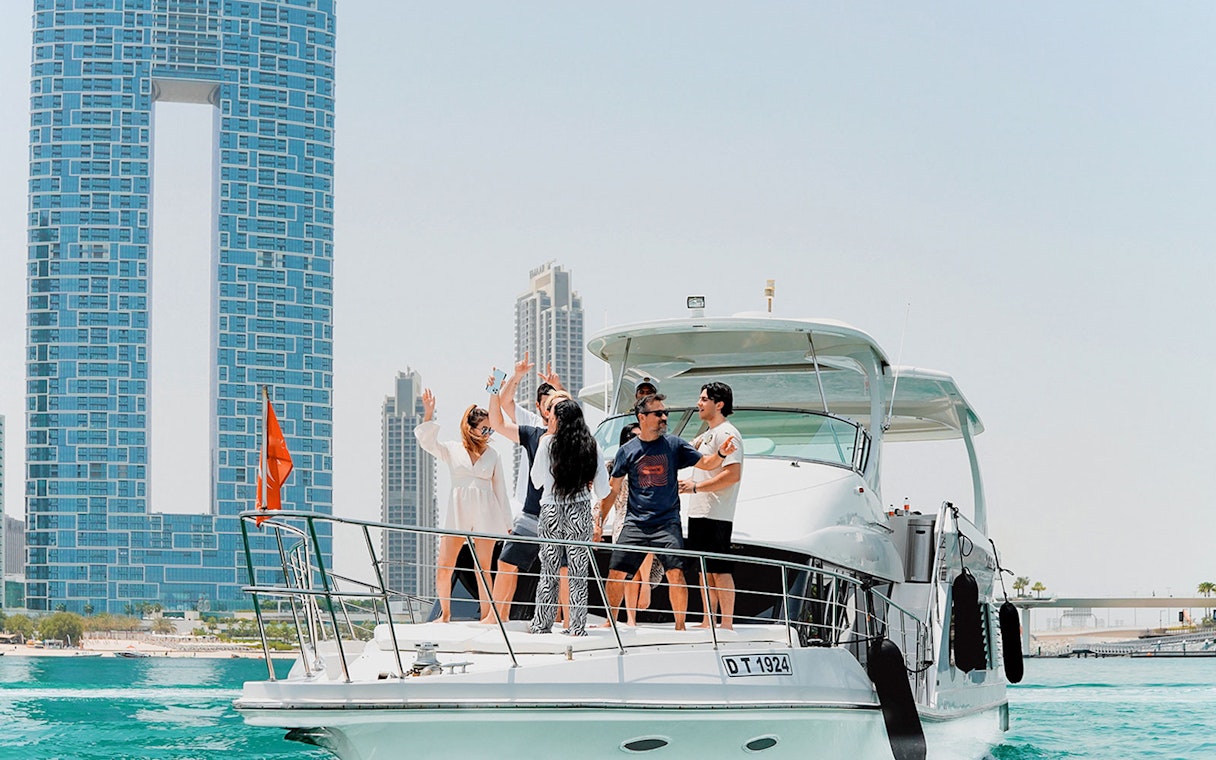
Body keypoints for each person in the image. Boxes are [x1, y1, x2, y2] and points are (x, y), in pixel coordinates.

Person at [599, 393, 738, 630]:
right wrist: (599, 521)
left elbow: (706, 463)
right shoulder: (627, 451)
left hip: (667, 523)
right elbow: (613, 489)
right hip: (636, 523)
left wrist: (722, 454)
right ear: (642, 417)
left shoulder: (674, 445)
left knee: (676, 574)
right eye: (658, 414)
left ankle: (680, 627)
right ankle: (610, 623)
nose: (664, 417)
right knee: (616, 573)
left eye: (666, 413)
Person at [482, 357, 569, 623]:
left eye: (556, 404)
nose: (551, 409)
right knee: (507, 561)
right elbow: (497, 422)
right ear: (543, 410)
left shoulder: (576, 438)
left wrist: (559, 388)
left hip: (563, 513)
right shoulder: (533, 432)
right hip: (532, 511)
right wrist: (494, 392)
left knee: (563, 569)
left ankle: (566, 620)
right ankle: (496, 618)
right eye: (549, 405)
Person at [415, 389, 512, 622]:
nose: (489, 433)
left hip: (486, 513)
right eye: (485, 428)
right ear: (471, 427)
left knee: (483, 568)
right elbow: (429, 444)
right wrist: (428, 414)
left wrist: (507, 524)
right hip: (458, 512)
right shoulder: (453, 449)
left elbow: (501, 490)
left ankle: (487, 616)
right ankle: (445, 614)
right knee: (444, 566)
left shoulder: (494, 454)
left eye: (491, 429)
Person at [529, 399, 610, 636]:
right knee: (577, 571)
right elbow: (604, 491)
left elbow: (536, 480)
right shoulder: (592, 446)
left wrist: (545, 440)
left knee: (549, 569)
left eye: (552, 415)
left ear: (559, 419)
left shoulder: (547, 444)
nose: (549, 419)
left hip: (552, 510)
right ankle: (576, 627)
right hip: (580, 509)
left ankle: (541, 624)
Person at [678, 382, 743, 629]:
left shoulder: (728, 433)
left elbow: (732, 475)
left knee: (719, 568)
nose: (699, 403)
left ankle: (726, 623)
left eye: (704, 399)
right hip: (699, 510)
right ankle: (708, 620)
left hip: (716, 512)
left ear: (719, 404)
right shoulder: (707, 434)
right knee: (704, 569)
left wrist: (696, 487)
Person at [604, 422, 662, 626]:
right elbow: (605, 495)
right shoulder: (613, 465)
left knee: (638, 566)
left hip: (644, 517)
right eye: (633, 437)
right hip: (621, 519)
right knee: (624, 571)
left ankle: (632, 616)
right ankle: (616, 618)